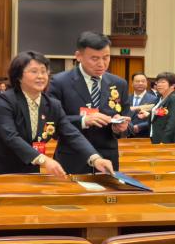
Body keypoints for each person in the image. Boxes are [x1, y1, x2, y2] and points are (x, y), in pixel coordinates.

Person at [0, 51, 114, 177]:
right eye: (34, 71)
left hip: (28, 168)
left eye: (44, 71)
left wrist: (95, 158)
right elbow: (11, 137)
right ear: (19, 76)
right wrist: (44, 160)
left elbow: (72, 134)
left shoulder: (52, 105)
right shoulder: (4, 101)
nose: (41, 76)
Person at [47, 32, 129, 173]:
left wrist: (119, 128)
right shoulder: (60, 82)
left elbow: (127, 120)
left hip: (107, 159)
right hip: (72, 158)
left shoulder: (119, 83)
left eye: (106, 57)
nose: (101, 64)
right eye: (94, 58)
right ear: (79, 56)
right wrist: (83, 121)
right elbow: (51, 122)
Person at [149, 72, 175, 144]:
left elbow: (172, 123)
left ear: (173, 85)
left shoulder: (174, 99)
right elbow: (162, 115)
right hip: (156, 136)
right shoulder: (160, 98)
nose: (159, 84)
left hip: (168, 140)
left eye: (163, 82)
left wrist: (164, 141)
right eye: (158, 82)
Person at [126, 73, 158, 138]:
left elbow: (155, 118)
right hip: (126, 133)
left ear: (147, 83)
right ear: (132, 83)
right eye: (137, 81)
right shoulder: (126, 98)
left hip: (144, 134)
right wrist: (130, 127)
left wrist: (140, 126)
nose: (140, 83)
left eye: (143, 81)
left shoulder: (154, 99)